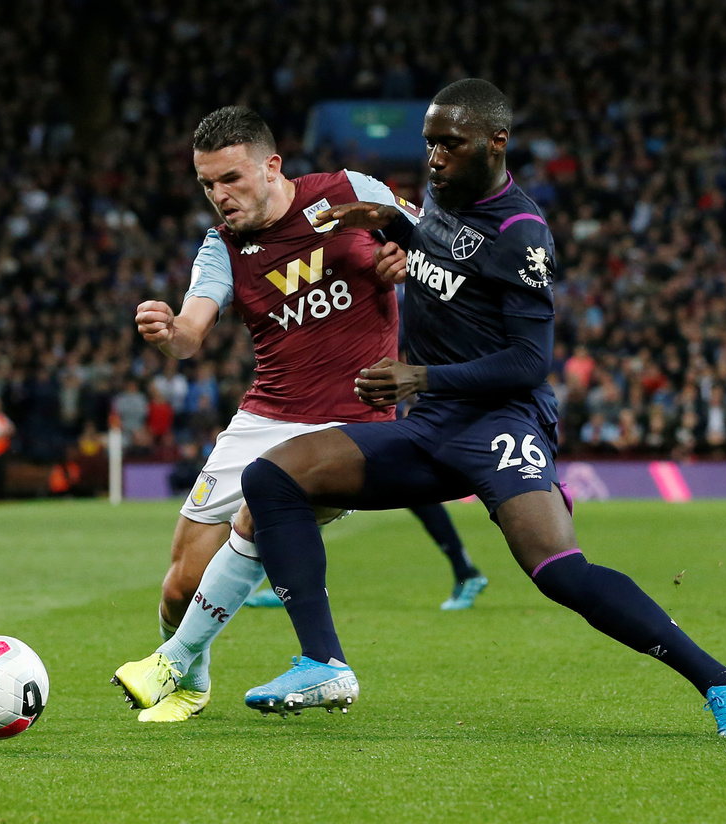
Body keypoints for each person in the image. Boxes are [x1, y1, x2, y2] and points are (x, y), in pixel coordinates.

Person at [229, 79, 726, 735]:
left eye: (450, 144)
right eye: (430, 143)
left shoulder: (521, 232)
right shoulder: (440, 197)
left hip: (500, 422)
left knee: (559, 571)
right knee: (271, 476)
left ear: (495, 142)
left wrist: (420, 377)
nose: (435, 158)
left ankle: (723, 682)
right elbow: (449, 261)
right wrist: (395, 224)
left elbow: (529, 361)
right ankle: (322, 663)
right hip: (431, 425)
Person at [111, 106, 485, 723]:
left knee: (262, 511)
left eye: (231, 178)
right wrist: (168, 331)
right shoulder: (222, 247)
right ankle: (191, 681)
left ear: (271, 166)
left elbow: (438, 250)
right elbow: (190, 333)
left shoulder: (348, 191)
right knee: (180, 586)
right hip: (265, 416)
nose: (219, 196)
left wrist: (405, 264)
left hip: (349, 421)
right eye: (207, 184)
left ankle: (175, 665)